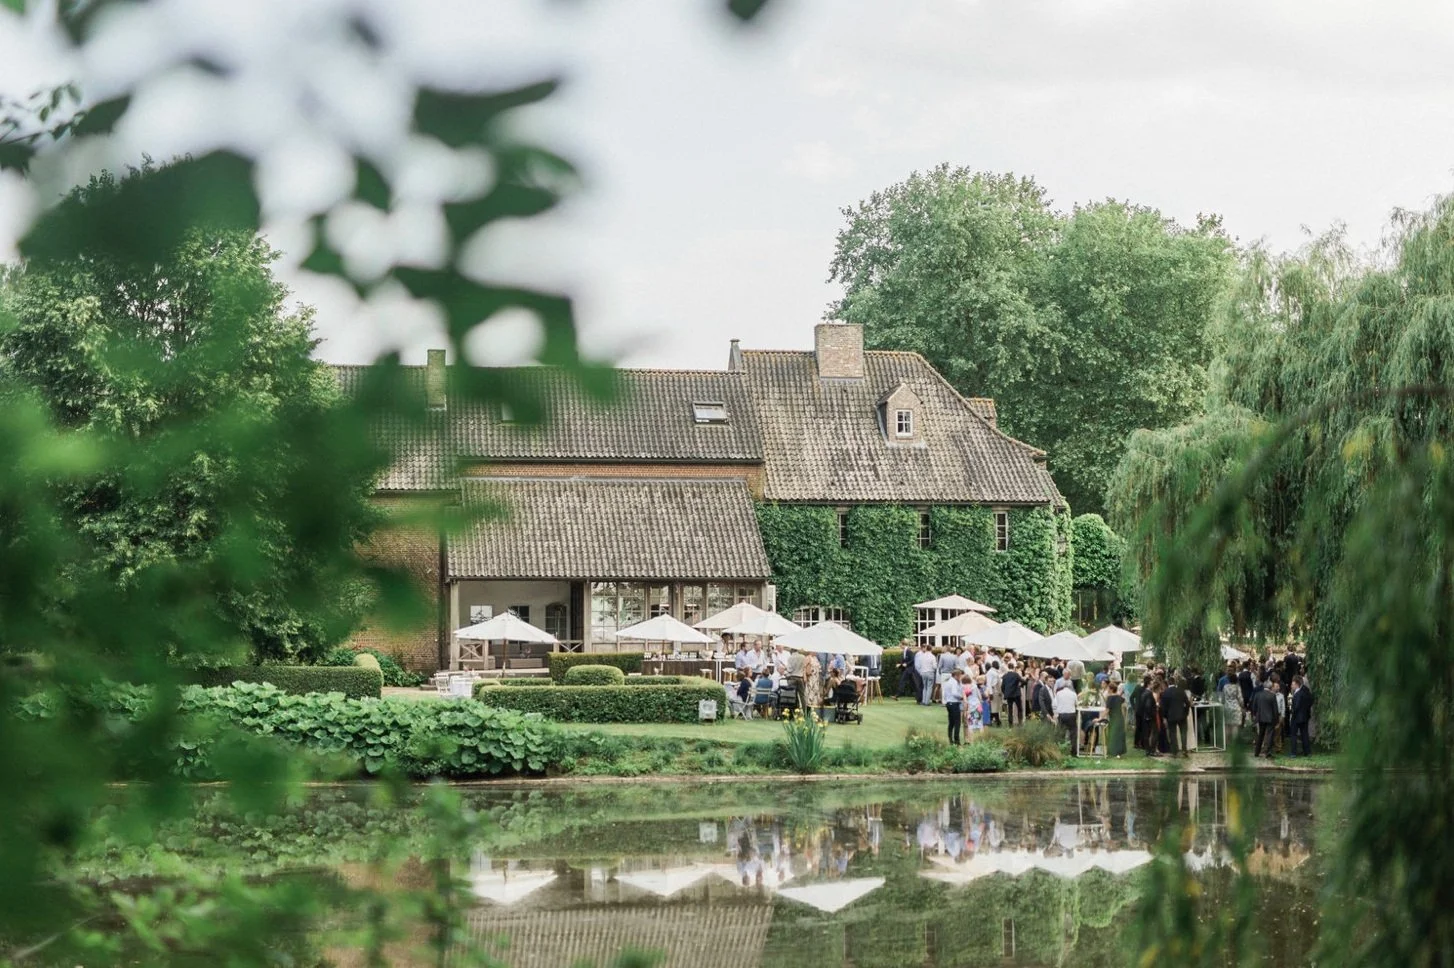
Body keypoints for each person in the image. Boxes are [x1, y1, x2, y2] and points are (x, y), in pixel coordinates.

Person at [1161, 676, 1190, 758]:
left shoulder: (1165, 692)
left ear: (1168, 683)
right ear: (1174, 682)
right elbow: (1187, 703)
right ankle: (1184, 749)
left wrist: (1165, 716)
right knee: (1183, 733)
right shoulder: (1180, 691)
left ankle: (1175, 751)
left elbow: (1164, 707)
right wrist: (1186, 712)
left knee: (1173, 734)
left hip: (1171, 716)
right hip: (1182, 715)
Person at [1252, 676, 1281, 758]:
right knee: (1269, 735)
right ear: (1270, 687)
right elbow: (1275, 710)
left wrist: (1255, 715)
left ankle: (1257, 752)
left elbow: (1254, 706)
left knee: (1260, 734)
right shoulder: (1272, 696)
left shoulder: (1258, 694)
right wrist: (1277, 720)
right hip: (1270, 718)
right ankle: (1267, 752)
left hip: (1260, 717)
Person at [1289, 675, 1314, 756]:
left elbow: (1296, 706)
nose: (1291, 686)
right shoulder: (1306, 691)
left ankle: (1293, 752)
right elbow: (1311, 701)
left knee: (1293, 734)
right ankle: (1307, 752)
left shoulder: (1298, 694)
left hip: (1296, 717)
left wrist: (1292, 711)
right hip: (1305, 716)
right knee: (1304, 734)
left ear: (1297, 684)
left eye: (1292, 684)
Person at [1053, 680, 1079, 755]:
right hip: (1071, 714)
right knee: (1073, 733)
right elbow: (1076, 704)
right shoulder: (1073, 694)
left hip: (1061, 715)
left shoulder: (1058, 693)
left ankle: (1060, 750)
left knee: (1061, 733)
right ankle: (1073, 752)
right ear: (1070, 687)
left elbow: (1055, 703)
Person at [1104, 679, 1127, 757]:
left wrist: (1100, 718)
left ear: (1111, 689)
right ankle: (1119, 752)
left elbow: (1107, 710)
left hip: (1113, 718)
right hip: (1120, 718)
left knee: (1113, 735)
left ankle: (1113, 751)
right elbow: (1123, 707)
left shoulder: (1110, 698)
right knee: (1119, 735)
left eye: (1108, 688)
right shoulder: (1119, 698)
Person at [942, 669, 965, 745]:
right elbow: (954, 693)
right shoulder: (954, 682)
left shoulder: (948, 682)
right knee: (957, 722)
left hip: (949, 703)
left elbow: (945, 693)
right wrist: (961, 697)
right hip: (954, 703)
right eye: (960, 676)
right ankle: (957, 740)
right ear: (956, 676)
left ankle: (950, 738)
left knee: (951, 722)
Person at [1001, 662, 1024, 726]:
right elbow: (1023, 681)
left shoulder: (1005, 676)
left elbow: (1002, 686)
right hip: (1016, 694)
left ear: (1008, 667)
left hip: (1009, 695)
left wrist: (1005, 692)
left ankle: (1010, 724)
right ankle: (1020, 722)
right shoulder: (1016, 674)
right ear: (1013, 667)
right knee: (1019, 708)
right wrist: (1020, 686)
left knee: (1010, 710)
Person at [985, 660, 1002, 727]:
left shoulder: (994, 672)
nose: (999, 666)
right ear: (995, 665)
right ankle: (994, 721)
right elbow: (989, 683)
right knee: (994, 706)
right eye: (998, 664)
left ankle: (994, 720)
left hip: (996, 690)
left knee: (996, 707)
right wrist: (991, 693)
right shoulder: (991, 672)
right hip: (993, 690)